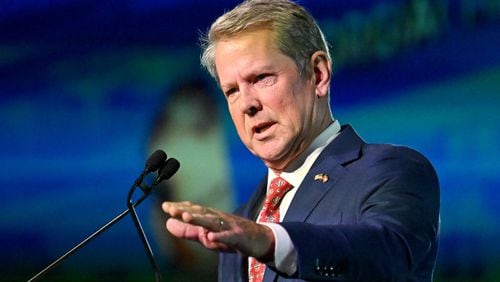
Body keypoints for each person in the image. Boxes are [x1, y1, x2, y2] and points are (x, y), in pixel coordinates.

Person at [161, 0, 440, 281]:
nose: (247, 104)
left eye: (261, 78)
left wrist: (272, 241)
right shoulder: (242, 221)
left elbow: (387, 254)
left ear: (318, 75)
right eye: (232, 90)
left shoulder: (392, 171)